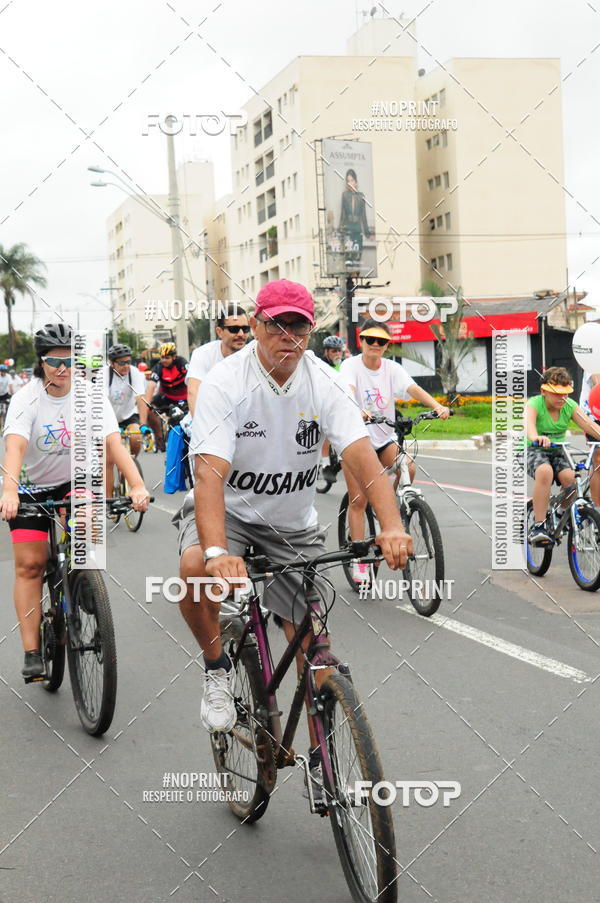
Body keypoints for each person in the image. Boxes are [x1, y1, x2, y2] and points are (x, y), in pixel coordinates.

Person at [173, 279, 412, 791]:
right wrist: (217, 551)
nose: (287, 335)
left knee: (311, 639)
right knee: (195, 568)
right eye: (276, 324)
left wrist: (391, 524)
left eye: (298, 325)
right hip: (231, 513)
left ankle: (324, 759)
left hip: (292, 523)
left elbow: (362, 458)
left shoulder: (324, 382)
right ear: (256, 325)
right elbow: (210, 473)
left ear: (310, 331)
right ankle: (217, 668)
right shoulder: (225, 382)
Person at [0, 323, 151, 679]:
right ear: (41, 363)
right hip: (29, 486)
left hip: (76, 480)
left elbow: (114, 442)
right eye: (55, 362)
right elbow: (15, 447)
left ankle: (84, 581)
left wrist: (137, 485)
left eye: (70, 361)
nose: (63, 369)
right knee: (30, 565)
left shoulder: (89, 395)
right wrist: (8, 491)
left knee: (85, 528)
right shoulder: (26, 398)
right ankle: (32, 651)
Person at [337, 319, 450, 582]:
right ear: (361, 341)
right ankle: (360, 560)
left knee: (408, 466)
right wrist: (358, 410)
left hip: (384, 437)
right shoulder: (350, 365)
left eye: (381, 341)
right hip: (355, 440)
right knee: (358, 500)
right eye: (370, 340)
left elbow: (413, 388)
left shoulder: (392, 369)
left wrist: (437, 406)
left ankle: (388, 509)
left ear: (387, 345)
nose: (375, 345)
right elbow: (347, 391)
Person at [527, 367, 600, 545]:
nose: (563, 398)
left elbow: (591, 426)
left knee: (572, 480)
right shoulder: (535, 403)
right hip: (534, 448)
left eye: (566, 393)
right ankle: (539, 525)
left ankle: (560, 514)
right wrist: (536, 437)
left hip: (559, 449)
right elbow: (529, 425)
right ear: (544, 391)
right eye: (557, 394)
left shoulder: (569, 405)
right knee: (545, 471)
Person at [104, 344, 152, 499]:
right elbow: (102, 403)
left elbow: (140, 399)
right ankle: (109, 499)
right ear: (112, 364)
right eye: (121, 363)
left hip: (128, 416)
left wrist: (143, 424)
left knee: (135, 437)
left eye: (128, 362)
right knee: (109, 460)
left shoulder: (135, 373)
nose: (126, 366)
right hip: (108, 418)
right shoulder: (103, 376)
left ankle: (128, 462)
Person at [186, 304, 250, 416]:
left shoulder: (255, 355)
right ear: (219, 332)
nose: (241, 334)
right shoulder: (203, 354)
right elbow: (193, 392)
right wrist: (200, 428)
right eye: (234, 329)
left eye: (245, 329)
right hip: (209, 417)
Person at [145, 341, 188, 450]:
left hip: (184, 396)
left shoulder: (182, 363)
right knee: (148, 410)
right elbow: (151, 386)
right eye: (162, 357)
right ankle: (160, 440)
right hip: (166, 396)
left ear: (174, 357)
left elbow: (192, 380)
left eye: (167, 357)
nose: (163, 360)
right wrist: (147, 404)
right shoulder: (158, 367)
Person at [319, 335, 346, 481]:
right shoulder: (321, 365)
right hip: (324, 402)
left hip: (340, 402)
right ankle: (325, 465)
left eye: (339, 351)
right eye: (334, 351)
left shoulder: (344, 364)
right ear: (326, 352)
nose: (337, 354)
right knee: (327, 435)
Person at [338, 168, 373, 268]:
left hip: (357, 230)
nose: (350, 183)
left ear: (356, 181)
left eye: (352, 180)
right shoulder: (345, 195)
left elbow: (363, 216)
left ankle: (355, 277)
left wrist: (367, 233)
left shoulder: (361, 196)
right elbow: (343, 214)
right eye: (348, 181)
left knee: (357, 258)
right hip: (348, 230)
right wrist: (340, 230)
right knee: (348, 259)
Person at [578, 369, 600, 506]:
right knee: (598, 459)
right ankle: (598, 510)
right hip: (594, 412)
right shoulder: (593, 359)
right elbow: (597, 382)